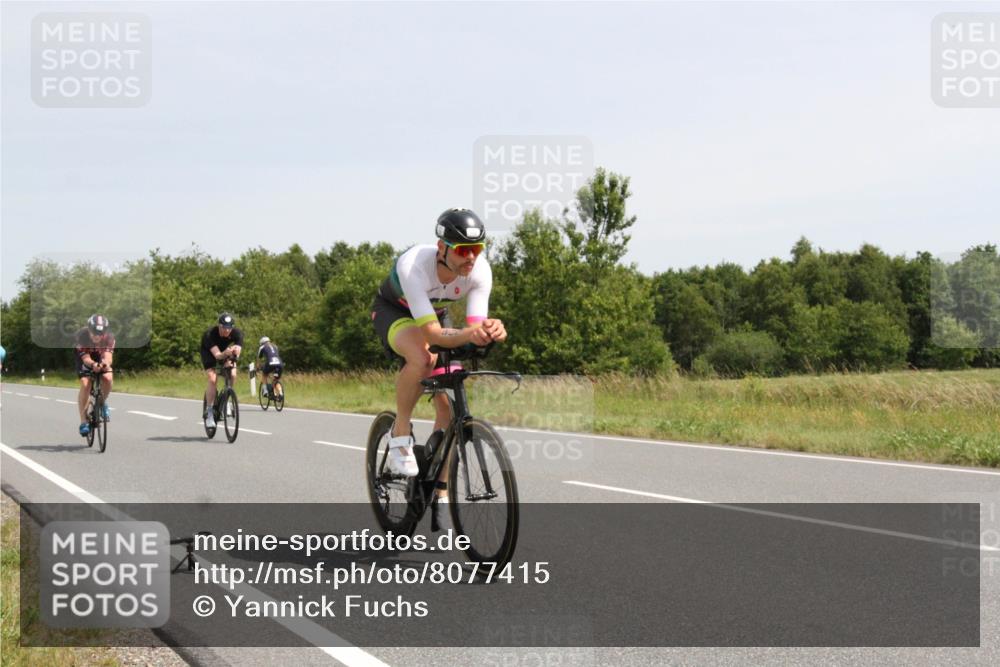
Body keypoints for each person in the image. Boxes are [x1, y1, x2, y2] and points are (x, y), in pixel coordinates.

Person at [371, 208, 507, 523]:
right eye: (463, 250)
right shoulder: (414, 266)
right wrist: (470, 333)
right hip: (396, 311)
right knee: (422, 358)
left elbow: (474, 326)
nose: (471, 257)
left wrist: (491, 331)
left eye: (477, 249)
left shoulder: (480, 272)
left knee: (448, 408)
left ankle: (441, 494)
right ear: (442, 247)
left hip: (436, 315)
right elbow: (431, 334)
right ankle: (400, 430)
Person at [200, 313, 244, 428]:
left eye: (230, 328)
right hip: (210, 353)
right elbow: (218, 355)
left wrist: (234, 353)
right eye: (224, 328)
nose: (227, 331)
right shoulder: (209, 334)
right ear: (219, 326)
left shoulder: (237, 333)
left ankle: (226, 398)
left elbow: (238, 351)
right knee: (212, 379)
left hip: (225, 351)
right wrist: (225, 354)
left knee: (233, 373)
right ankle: (209, 413)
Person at [75, 315, 115, 437]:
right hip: (85, 358)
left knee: (108, 377)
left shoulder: (109, 337)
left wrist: (105, 364)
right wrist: (93, 365)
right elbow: (86, 358)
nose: (97, 336)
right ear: (89, 329)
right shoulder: (81, 336)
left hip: (100, 356)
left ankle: (101, 403)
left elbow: (108, 356)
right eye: (94, 333)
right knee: (85, 383)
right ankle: (83, 422)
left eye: (100, 333)